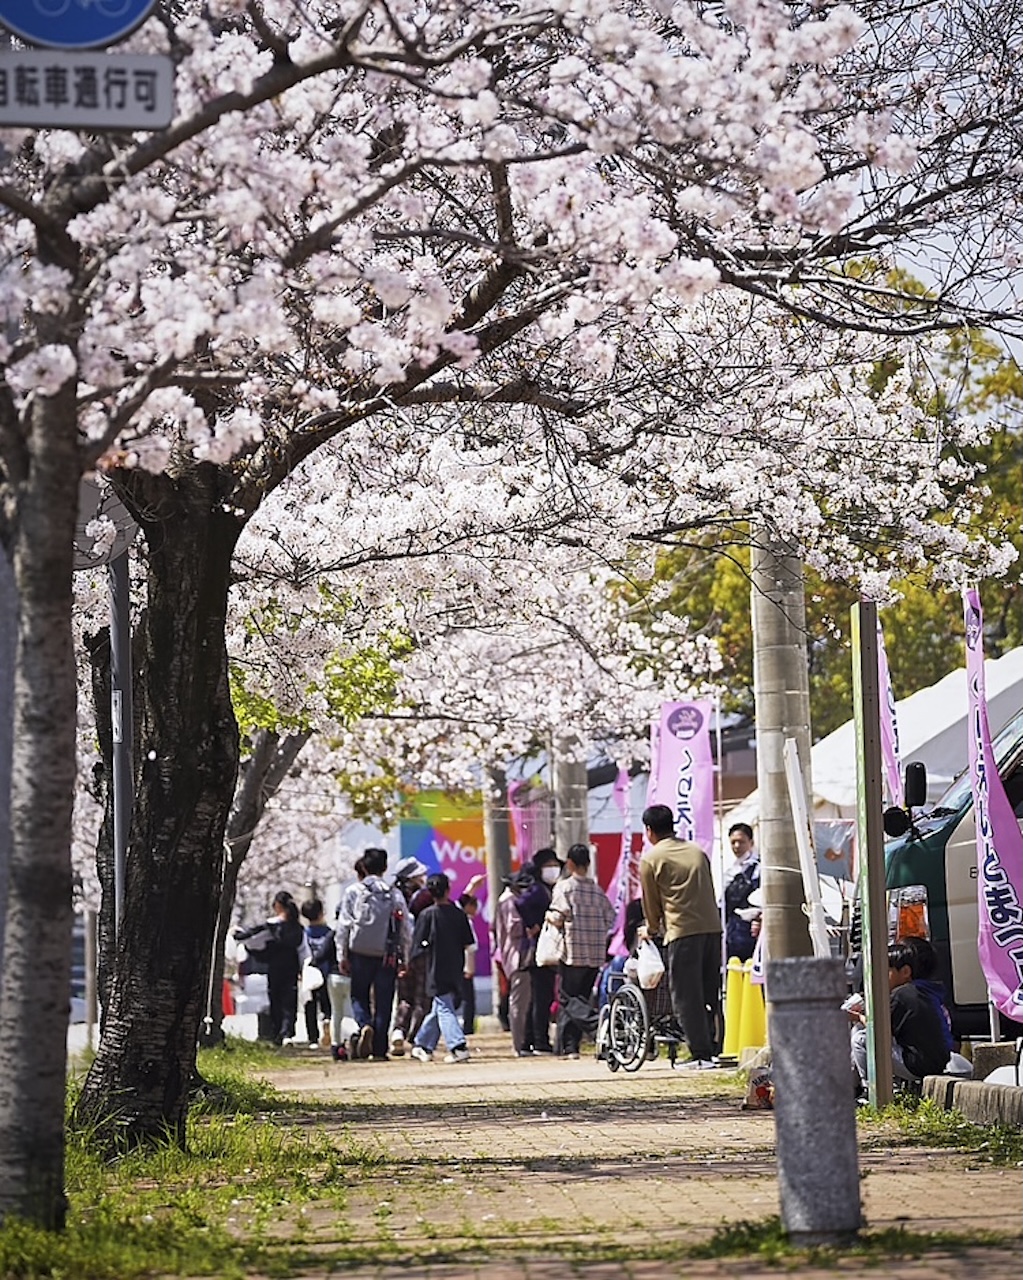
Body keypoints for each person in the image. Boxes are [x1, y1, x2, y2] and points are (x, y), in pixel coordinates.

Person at [639, 803, 722, 1070]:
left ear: (649, 830)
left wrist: (650, 930)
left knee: (686, 996)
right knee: (710, 992)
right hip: (712, 929)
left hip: (682, 932)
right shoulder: (696, 851)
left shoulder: (652, 859)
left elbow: (651, 905)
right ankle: (715, 1047)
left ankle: (700, 1054)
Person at [850, 938, 956, 1093]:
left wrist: (858, 1017)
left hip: (917, 1065)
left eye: (886, 971)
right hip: (937, 1062)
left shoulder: (901, 995)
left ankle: (871, 1090)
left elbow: (878, 1030)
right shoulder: (924, 992)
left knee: (861, 1038)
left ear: (905, 972)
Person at [336, 847, 411, 1061]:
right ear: (385, 868)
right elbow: (405, 928)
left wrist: (342, 955)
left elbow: (344, 926)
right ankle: (379, 1049)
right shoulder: (393, 893)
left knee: (359, 994)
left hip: (359, 952)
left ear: (364, 866)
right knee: (385, 1000)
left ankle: (364, 1024)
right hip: (386, 954)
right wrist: (404, 957)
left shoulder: (354, 892)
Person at [546, 843, 614, 1057]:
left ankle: (597, 1024)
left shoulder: (564, 887)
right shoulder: (597, 890)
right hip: (595, 954)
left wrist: (548, 916)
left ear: (570, 863)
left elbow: (558, 917)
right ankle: (568, 1047)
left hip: (573, 952)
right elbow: (610, 917)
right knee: (580, 999)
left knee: (567, 998)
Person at [409, 872, 476, 1063]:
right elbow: (469, 944)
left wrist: (409, 966)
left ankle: (458, 1046)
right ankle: (421, 1044)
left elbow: (417, 947)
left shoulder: (426, 915)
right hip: (455, 967)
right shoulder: (459, 914)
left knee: (443, 1007)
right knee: (441, 1006)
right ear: (448, 890)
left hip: (434, 968)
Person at [234, 890, 307, 1046]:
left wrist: (239, 937)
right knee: (289, 1001)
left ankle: (277, 1033)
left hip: (274, 967)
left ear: (278, 906)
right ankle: (287, 1033)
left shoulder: (272, 925)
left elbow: (252, 938)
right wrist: (304, 968)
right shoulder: (297, 927)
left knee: (276, 1000)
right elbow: (303, 949)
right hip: (291, 967)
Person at [516, 847, 563, 1054]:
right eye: (548, 866)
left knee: (538, 998)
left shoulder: (549, 888)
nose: (553, 869)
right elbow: (521, 903)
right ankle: (540, 1041)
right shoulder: (537, 889)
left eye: (555, 865)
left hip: (543, 949)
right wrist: (532, 924)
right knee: (542, 998)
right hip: (540, 951)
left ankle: (529, 1041)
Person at [389, 856, 430, 1055]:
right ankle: (415, 1038)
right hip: (421, 953)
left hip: (398, 953)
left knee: (404, 997)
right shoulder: (423, 897)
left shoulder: (392, 896)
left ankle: (398, 1031)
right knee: (422, 998)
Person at [494, 869, 535, 1056]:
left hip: (514, 956)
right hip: (518, 957)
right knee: (518, 1004)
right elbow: (515, 928)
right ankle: (518, 1046)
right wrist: (533, 928)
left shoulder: (505, 899)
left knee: (521, 1002)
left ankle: (520, 1043)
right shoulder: (510, 900)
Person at [722, 822, 761, 962]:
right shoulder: (729, 868)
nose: (737, 846)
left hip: (752, 928)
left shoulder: (758, 868)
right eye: (733, 842)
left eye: (741, 842)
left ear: (751, 842)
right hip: (732, 930)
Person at [301, 897, 333, 1048]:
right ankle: (327, 1021)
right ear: (321, 913)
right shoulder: (329, 933)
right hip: (327, 973)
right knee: (327, 1004)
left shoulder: (304, 934)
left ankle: (313, 1039)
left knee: (310, 1005)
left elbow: (300, 953)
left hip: (309, 974)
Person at [457, 892, 480, 1037]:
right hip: (464, 965)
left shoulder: (462, 919)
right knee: (467, 998)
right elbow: (470, 947)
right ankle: (467, 1027)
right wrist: (469, 968)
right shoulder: (465, 921)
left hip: (460, 964)